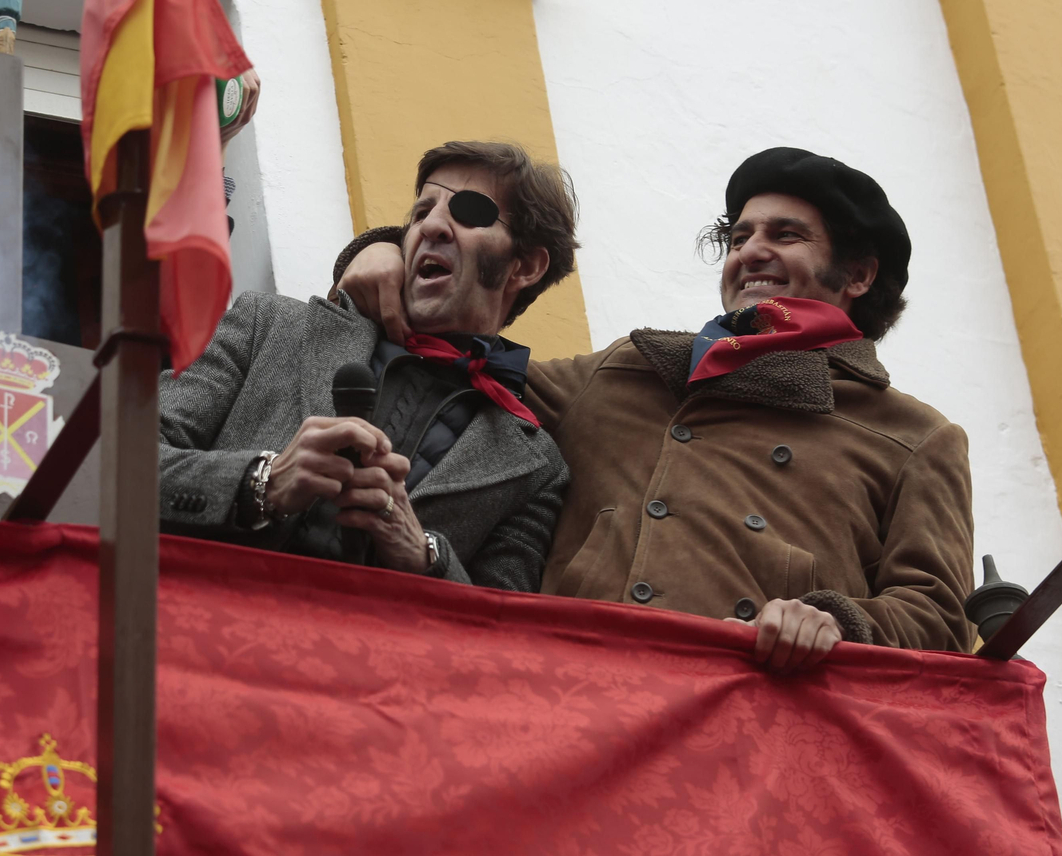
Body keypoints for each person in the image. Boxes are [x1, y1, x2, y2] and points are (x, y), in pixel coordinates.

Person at [333, 147, 975, 666]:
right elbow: (460, 348)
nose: (750, 251)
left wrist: (836, 618)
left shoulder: (917, 437)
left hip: (746, 720)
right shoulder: (629, 370)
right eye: (739, 235)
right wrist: (383, 246)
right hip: (561, 695)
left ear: (858, 275)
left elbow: (941, 616)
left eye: (786, 235)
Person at [158, 141, 578, 590]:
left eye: (470, 211)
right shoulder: (268, 327)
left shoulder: (535, 466)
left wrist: (424, 556)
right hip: (184, 633)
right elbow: (119, 458)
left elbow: (505, 629)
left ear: (525, 266)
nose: (431, 225)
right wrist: (261, 483)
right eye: (419, 213)